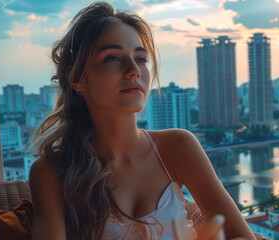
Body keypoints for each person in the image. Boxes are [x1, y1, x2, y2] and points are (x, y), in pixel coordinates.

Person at [29, 2, 256, 240]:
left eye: (141, 58)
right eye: (112, 58)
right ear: (77, 79)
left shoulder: (178, 147)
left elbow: (241, 236)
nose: (134, 70)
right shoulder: (51, 174)